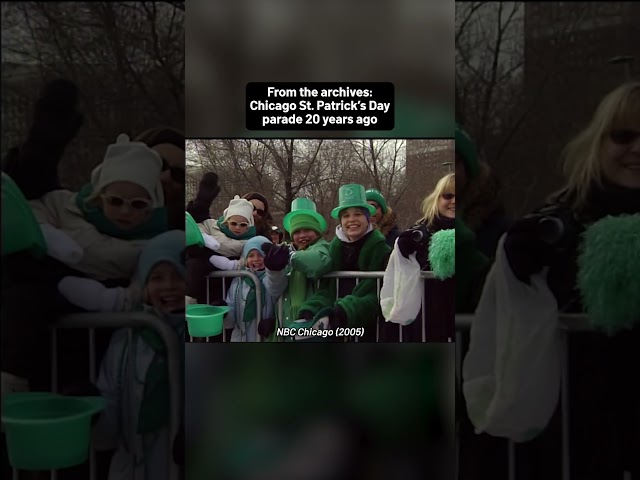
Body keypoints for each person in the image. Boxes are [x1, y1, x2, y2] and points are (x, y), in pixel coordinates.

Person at [464, 81, 640, 480]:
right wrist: (514, 265)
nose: (636, 148)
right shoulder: (561, 216)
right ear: (598, 142)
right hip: (573, 435)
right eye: (623, 135)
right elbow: (485, 311)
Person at [93, 230, 185, 480]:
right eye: (156, 277)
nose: (168, 286)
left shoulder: (205, 335)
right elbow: (108, 421)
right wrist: (93, 414)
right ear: (144, 285)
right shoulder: (128, 337)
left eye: (179, 275)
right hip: (135, 470)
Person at [297, 184, 391, 342]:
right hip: (336, 330)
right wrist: (311, 309)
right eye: (346, 215)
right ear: (340, 220)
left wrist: (344, 311)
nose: (352, 220)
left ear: (368, 219)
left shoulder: (380, 249)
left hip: (370, 331)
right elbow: (327, 289)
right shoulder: (334, 247)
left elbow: (375, 294)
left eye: (358, 214)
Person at [382, 174, 456, 342]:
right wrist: (402, 248)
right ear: (437, 199)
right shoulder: (421, 229)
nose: (453, 201)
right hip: (426, 320)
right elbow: (392, 269)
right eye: (448, 195)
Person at [257, 198, 333, 341]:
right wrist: (274, 269)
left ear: (317, 232)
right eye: (297, 231)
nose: (302, 235)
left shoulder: (322, 247)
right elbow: (275, 290)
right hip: (285, 322)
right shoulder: (284, 251)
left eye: (308, 230)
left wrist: (290, 257)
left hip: (312, 321)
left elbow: (319, 263)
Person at [223, 236, 276, 342]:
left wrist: (275, 322)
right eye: (251, 255)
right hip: (241, 338)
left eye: (261, 254)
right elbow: (231, 315)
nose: (256, 259)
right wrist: (224, 313)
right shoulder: (238, 280)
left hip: (267, 337)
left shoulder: (273, 278)